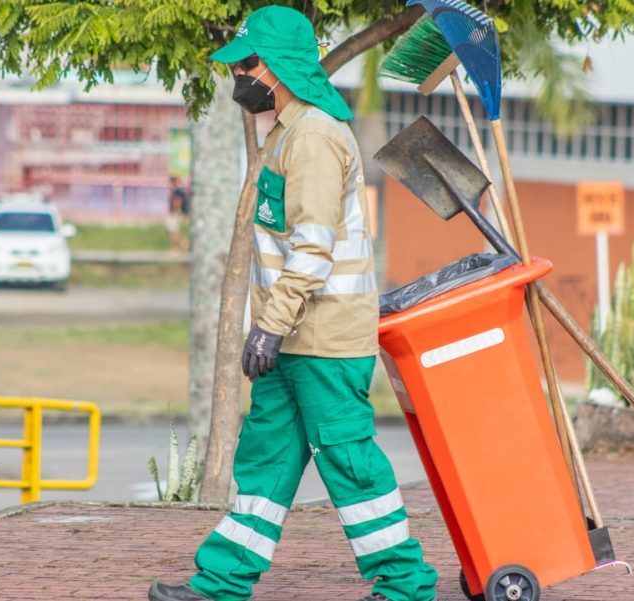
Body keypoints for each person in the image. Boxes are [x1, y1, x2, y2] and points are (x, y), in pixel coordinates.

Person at [149, 6, 438, 601]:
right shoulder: (286, 131)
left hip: (324, 339)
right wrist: (272, 328)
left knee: (349, 462)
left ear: (278, 69)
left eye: (249, 64)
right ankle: (221, 583)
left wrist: (269, 325)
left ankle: (406, 587)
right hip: (290, 337)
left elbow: (313, 244)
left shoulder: (312, 138)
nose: (240, 76)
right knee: (266, 459)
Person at [167, 175, 190, 251]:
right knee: (173, 231)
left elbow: (177, 202)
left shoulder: (177, 190)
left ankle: (184, 244)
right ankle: (178, 247)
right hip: (177, 213)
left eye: (172, 181)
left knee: (173, 231)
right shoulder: (180, 190)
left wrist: (177, 212)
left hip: (175, 213)